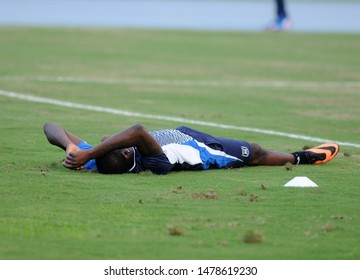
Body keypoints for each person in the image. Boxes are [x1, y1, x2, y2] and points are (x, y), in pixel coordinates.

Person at [43, 122, 339, 175]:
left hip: (182, 131)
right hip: (203, 150)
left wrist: (73, 148)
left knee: (255, 149)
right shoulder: (152, 163)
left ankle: (302, 156)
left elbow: (50, 126)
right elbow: (137, 131)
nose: (108, 139)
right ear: (123, 152)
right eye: (111, 143)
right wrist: (92, 152)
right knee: (255, 152)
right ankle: (304, 158)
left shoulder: (96, 161)